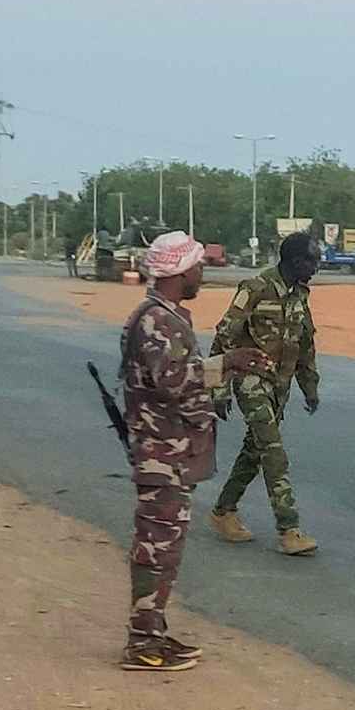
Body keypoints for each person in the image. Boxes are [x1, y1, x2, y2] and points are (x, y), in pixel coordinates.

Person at [118, 232, 270, 672]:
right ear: (180, 272)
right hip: (161, 455)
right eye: (198, 267)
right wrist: (226, 368)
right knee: (155, 549)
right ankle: (142, 644)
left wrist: (229, 364)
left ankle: (153, 634)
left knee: (166, 550)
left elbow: (176, 374)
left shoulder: (166, 318)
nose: (202, 273)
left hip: (172, 455)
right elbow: (172, 381)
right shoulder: (155, 321)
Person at [207, 232, 322, 556]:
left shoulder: (300, 294)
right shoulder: (255, 288)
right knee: (273, 450)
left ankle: (222, 510)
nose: (317, 267)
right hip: (251, 380)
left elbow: (305, 344)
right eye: (312, 260)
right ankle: (289, 529)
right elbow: (224, 338)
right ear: (295, 261)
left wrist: (309, 388)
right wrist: (218, 388)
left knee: (254, 452)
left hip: (279, 385)